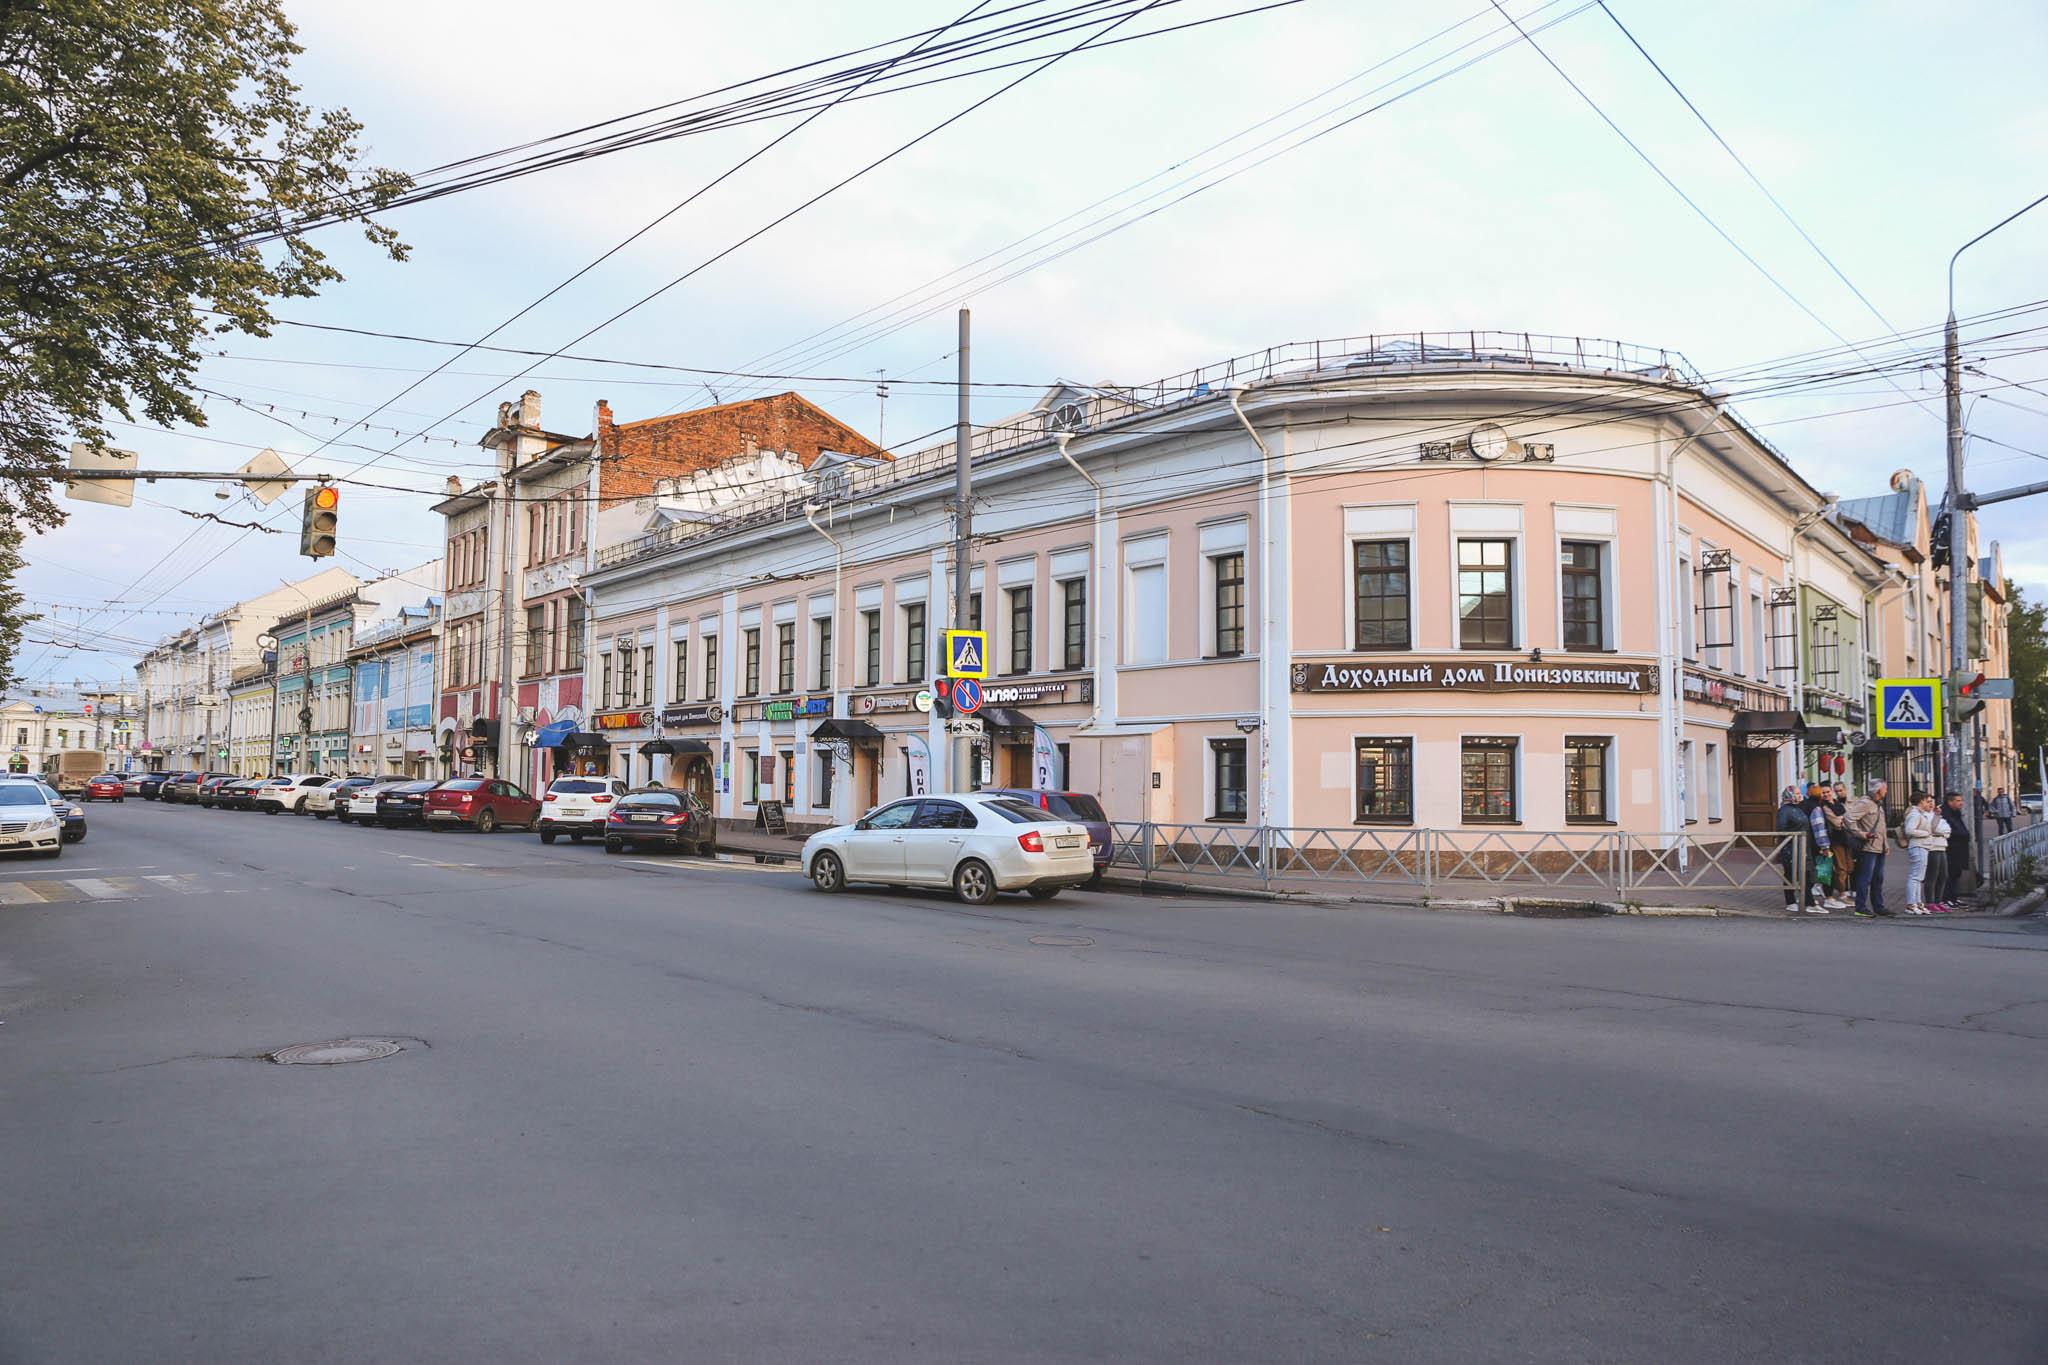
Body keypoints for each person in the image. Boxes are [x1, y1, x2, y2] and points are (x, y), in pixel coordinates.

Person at [1846, 778, 1894, 918]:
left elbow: (1881, 827)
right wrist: (1860, 834)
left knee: (1878, 878)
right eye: (1885, 788)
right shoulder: (1865, 803)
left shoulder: (1877, 804)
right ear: (1879, 790)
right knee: (1865, 878)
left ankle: (1878, 906)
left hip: (1879, 847)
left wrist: (1886, 845)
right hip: (1868, 847)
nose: (1886, 791)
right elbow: (1848, 818)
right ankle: (1860, 907)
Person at [1802, 781, 1848, 910]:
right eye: (1822, 793)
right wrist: (1825, 846)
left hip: (1809, 843)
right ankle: (1828, 898)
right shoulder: (1816, 808)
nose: (1825, 795)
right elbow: (1819, 828)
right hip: (1818, 845)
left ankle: (1809, 897)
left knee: (1817, 871)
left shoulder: (1806, 805)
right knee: (1826, 871)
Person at [1775, 784, 1818, 913]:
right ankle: (1793, 902)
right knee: (1791, 875)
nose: (1800, 795)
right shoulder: (1784, 810)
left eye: (1800, 793)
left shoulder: (1797, 808)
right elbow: (1781, 829)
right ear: (1790, 795)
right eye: (1797, 793)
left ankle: (1805, 899)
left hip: (1803, 846)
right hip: (1790, 848)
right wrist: (1794, 836)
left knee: (1806, 873)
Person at [1942, 791, 1974, 906]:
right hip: (1951, 848)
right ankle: (1947, 898)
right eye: (1958, 801)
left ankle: (1953, 897)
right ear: (1950, 802)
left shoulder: (1956, 813)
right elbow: (1948, 830)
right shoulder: (1945, 813)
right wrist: (1961, 834)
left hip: (1959, 848)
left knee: (1956, 873)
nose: (1961, 803)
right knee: (1950, 873)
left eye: (1961, 800)